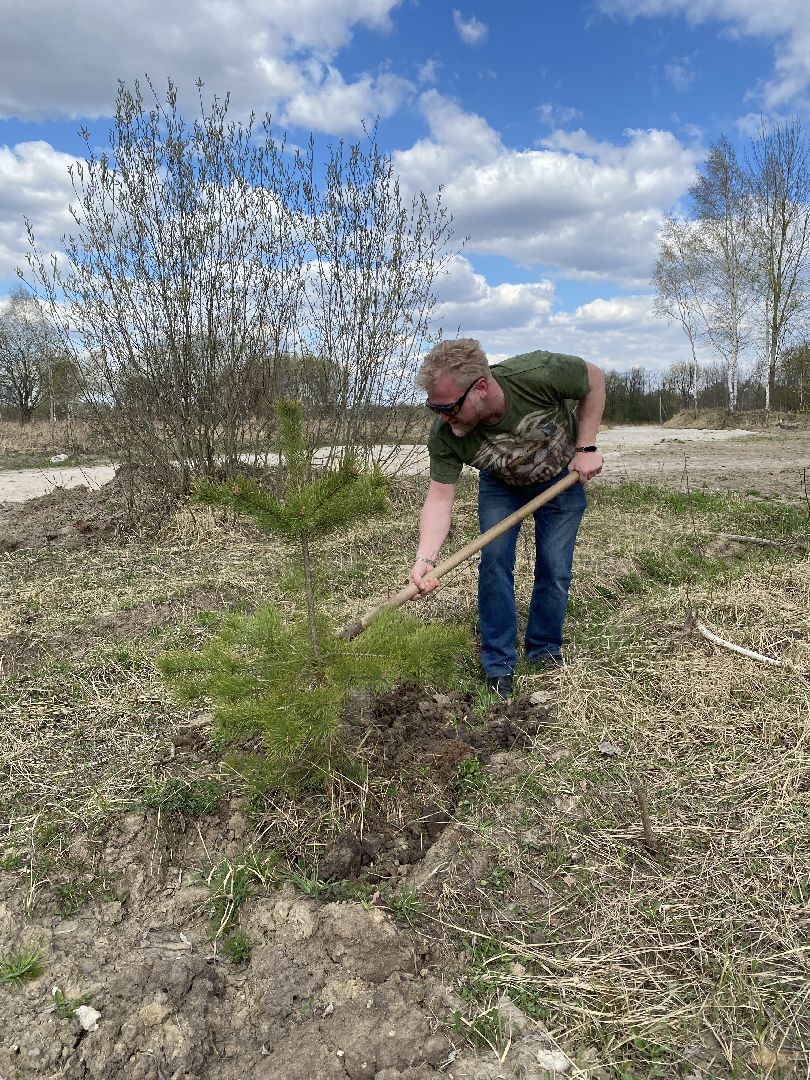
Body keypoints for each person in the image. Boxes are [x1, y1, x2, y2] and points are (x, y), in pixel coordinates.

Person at [409, 338, 604, 699]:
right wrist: (426, 559)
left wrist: (586, 446)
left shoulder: (537, 373)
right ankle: (498, 664)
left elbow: (593, 379)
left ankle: (544, 650)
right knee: (495, 562)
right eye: (434, 407)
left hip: (561, 478)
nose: (442, 417)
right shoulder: (445, 434)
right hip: (500, 486)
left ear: (481, 388)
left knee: (554, 566)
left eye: (449, 407)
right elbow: (439, 497)